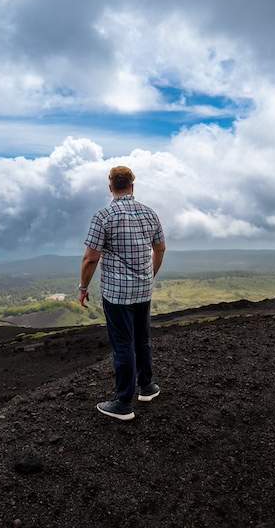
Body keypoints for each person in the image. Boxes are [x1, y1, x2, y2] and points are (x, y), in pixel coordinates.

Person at [79, 166, 166, 420]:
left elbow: (90, 258)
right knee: (142, 338)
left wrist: (83, 288)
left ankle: (123, 403)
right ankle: (147, 387)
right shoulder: (150, 213)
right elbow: (160, 249)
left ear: (110, 187)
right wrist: (150, 275)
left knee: (123, 345)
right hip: (143, 290)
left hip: (117, 294)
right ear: (132, 185)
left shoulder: (104, 216)